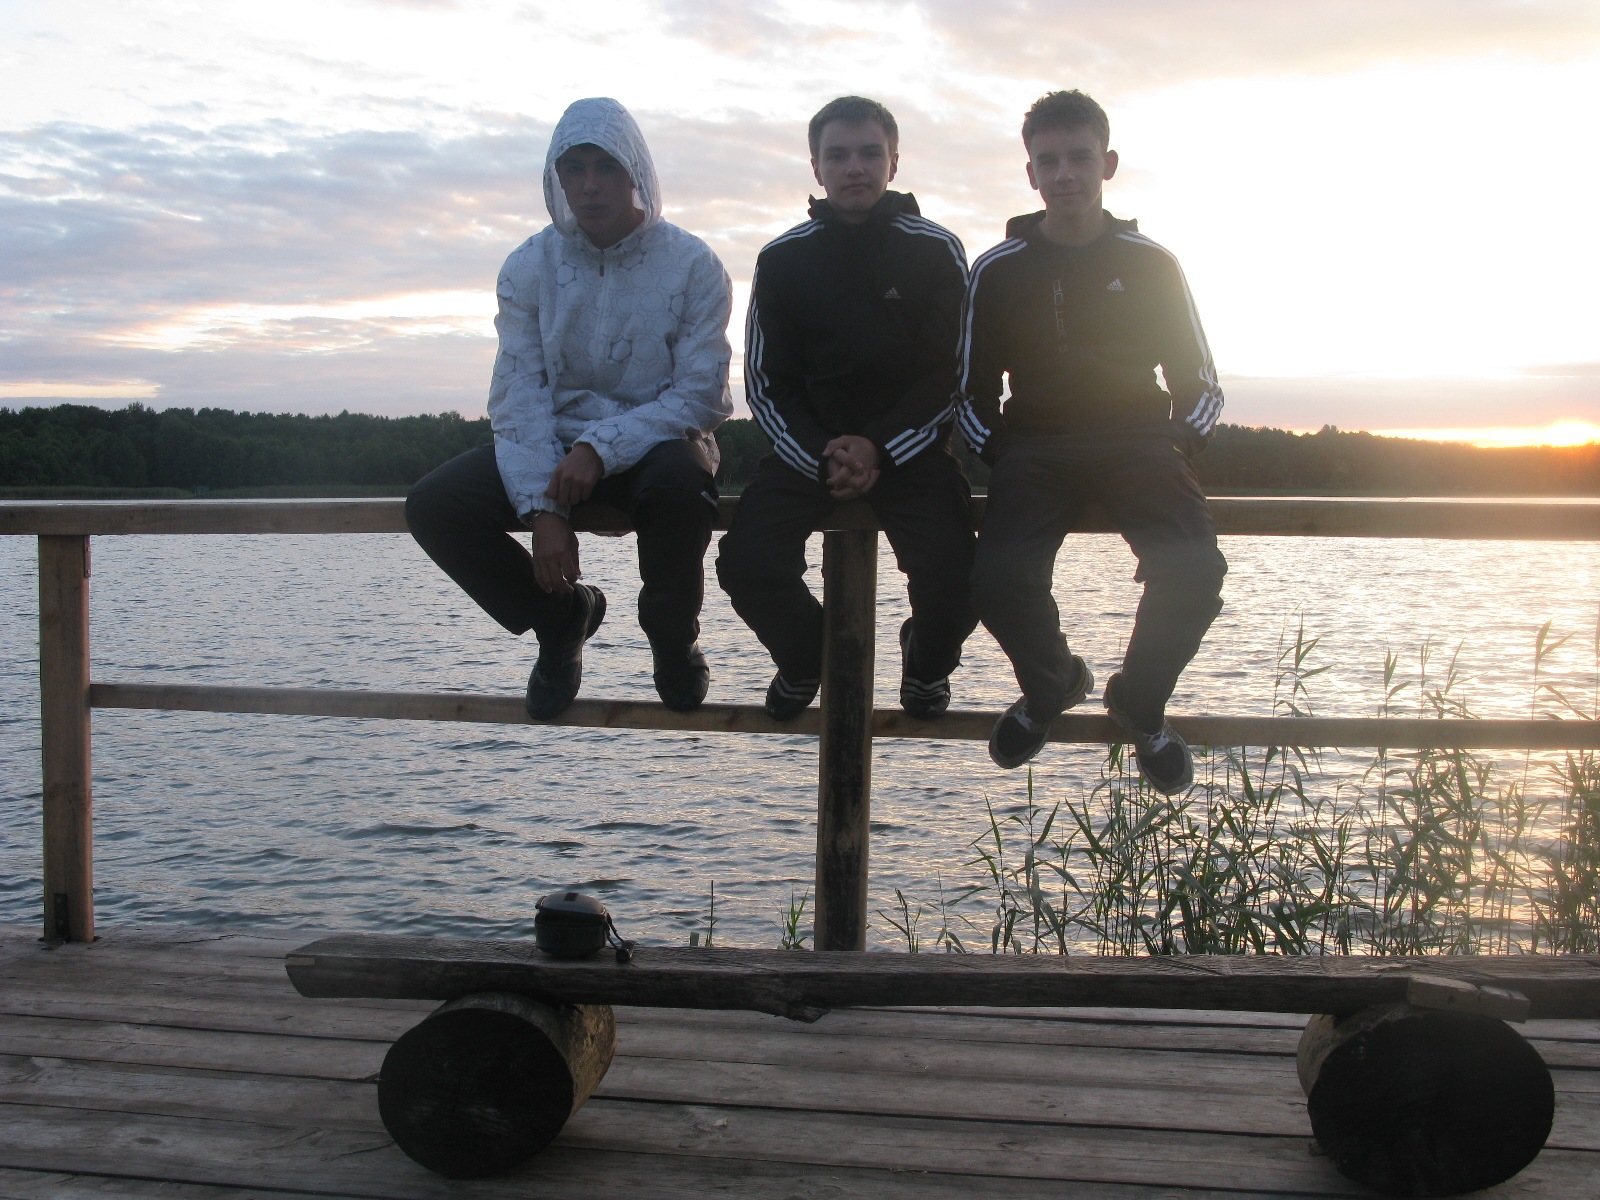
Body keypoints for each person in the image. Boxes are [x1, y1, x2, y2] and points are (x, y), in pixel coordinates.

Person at [406, 97, 733, 719]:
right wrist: (543, 509)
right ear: (555, 177)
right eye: (573, 168)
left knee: (681, 487)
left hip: (658, 444)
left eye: (605, 166)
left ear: (635, 171)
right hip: (548, 449)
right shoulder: (528, 267)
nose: (589, 185)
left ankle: (672, 639)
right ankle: (560, 620)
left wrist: (600, 448)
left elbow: (700, 394)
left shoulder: (693, 265)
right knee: (434, 504)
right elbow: (517, 393)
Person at [958, 89, 1227, 792]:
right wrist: (1001, 450)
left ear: (1107, 164)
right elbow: (969, 392)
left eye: (1080, 158)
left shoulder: (1152, 262)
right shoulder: (998, 268)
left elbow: (1200, 381)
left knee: (1195, 571)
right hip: (1036, 445)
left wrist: (1178, 443)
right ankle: (1053, 685)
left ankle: (1140, 704)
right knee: (996, 580)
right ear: (1031, 174)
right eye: (1049, 161)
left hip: (1140, 441)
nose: (1065, 174)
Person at [717, 96, 977, 721]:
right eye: (837, 155)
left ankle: (926, 662)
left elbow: (950, 373)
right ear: (816, 167)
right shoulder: (782, 259)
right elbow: (766, 381)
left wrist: (880, 448)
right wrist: (821, 453)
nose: (853, 167)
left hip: (911, 450)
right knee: (746, 562)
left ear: (893, 162)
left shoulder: (937, 250)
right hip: (811, 450)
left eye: (868, 153)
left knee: (959, 573)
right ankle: (809, 656)